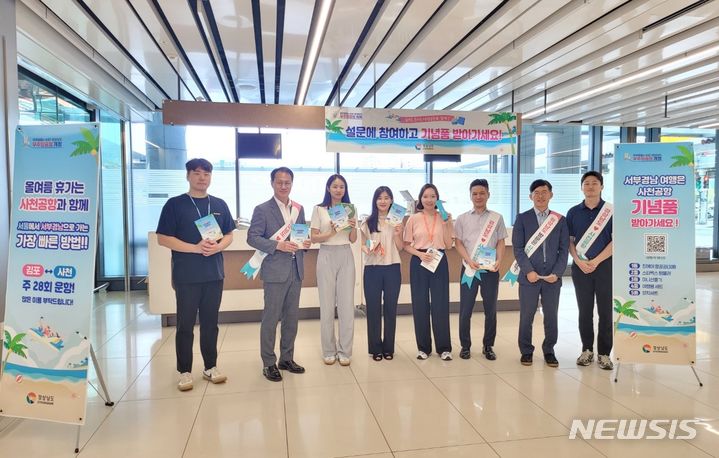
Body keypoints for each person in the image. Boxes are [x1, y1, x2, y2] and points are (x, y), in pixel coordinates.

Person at [156, 158, 234, 391]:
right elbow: (163, 238)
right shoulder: (175, 205)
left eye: (206, 174)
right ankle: (184, 371)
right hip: (187, 275)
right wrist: (195, 248)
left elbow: (229, 234)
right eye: (197, 173)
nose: (202, 178)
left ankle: (211, 366)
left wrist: (219, 246)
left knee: (211, 324)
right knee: (185, 325)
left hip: (214, 274)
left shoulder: (219, 204)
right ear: (188, 175)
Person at [247, 167, 311, 382]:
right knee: (271, 318)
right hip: (275, 270)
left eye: (287, 182)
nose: (284, 186)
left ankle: (286, 358)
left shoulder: (298, 209)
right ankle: (268, 363)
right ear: (272, 183)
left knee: (291, 319)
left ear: (292, 183)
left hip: (296, 270)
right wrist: (278, 245)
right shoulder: (262, 209)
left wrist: (306, 243)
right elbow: (252, 237)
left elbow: (301, 234)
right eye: (279, 182)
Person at [512, 179, 569, 368]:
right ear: (531, 196)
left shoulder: (559, 220)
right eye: (536, 192)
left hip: (552, 277)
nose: (540, 195)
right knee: (526, 316)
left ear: (551, 194)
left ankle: (549, 350)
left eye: (544, 192)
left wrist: (558, 273)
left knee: (551, 315)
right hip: (529, 277)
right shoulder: (522, 218)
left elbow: (564, 249)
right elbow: (518, 249)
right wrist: (528, 271)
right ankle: (526, 351)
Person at [453, 179, 507, 361]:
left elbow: (501, 242)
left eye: (482, 193)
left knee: (490, 309)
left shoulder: (497, 218)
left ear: (488, 195)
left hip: (490, 270)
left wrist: (500, 260)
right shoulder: (461, 218)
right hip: (469, 270)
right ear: (470, 195)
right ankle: (465, 346)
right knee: (465, 310)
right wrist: (468, 260)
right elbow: (458, 243)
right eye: (475, 193)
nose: (478, 196)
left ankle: (488, 346)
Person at [566, 171, 614, 370]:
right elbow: (570, 241)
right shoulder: (573, 212)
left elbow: (616, 240)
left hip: (605, 267)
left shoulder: (611, 211)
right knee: (584, 311)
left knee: (605, 311)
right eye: (587, 183)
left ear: (601, 186)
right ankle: (587, 349)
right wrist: (577, 260)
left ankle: (604, 353)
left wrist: (596, 260)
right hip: (581, 268)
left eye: (595, 183)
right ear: (582, 187)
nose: (591, 186)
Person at [310, 174, 357, 366]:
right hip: (326, 255)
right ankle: (329, 350)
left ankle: (345, 350)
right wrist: (331, 232)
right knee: (327, 306)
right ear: (328, 188)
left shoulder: (350, 209)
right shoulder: (319, 210)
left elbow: (353, 239)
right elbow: (313, 238)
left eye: (342, 187)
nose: (339, 190)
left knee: (347, 306)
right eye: (335, 186)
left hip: (346, 255)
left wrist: (353, 226)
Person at [403, 184, 454, 361]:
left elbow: (448, 245)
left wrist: (448, 225)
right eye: (426, 196)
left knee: (441, 304)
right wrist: (420, 254)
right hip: (419, 261)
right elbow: (406, 245)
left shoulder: (445, 218)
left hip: (439, 260)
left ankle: (444, 348)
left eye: (433, 196)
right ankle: (423, 348)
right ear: (420, 199)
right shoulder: (413, 219)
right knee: (420, 304)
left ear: (437, 199)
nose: (429, 200)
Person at [360, 186, 404, 361]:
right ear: (375, 201)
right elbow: (362, 245)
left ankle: (388, 348)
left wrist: (398, 234)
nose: (383, 201)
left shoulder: (397, 221)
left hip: (392, 267)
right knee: (373, 309)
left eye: (386, 198)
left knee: (390, 308)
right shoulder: (367, 222)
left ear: (392, 200)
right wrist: (369, 249)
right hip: (372, 269)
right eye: (379, 198)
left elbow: (401, 247)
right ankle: (375, 348)